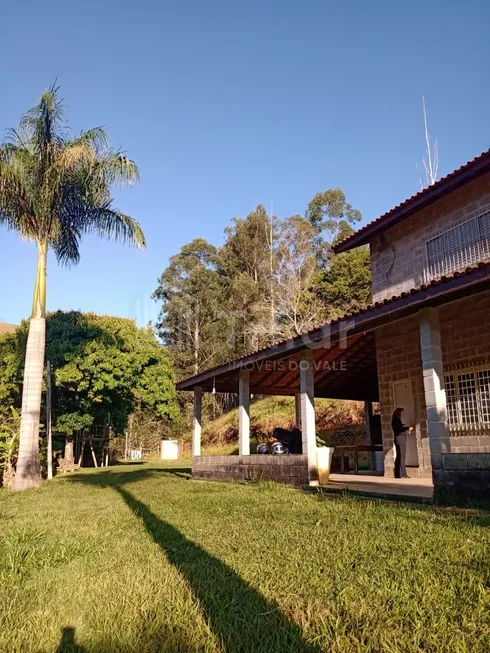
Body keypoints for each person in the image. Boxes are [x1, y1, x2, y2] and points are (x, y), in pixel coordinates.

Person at [392, 407, 410, 478]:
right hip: (400, 438)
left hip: (397, 438)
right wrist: (408, 428)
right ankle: (403, 473)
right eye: (402, 413)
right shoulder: (396, 420)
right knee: (402, 455)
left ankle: (397, 474)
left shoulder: (395, 420)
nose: (403, 414)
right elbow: (399, 429)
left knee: (399, 455)